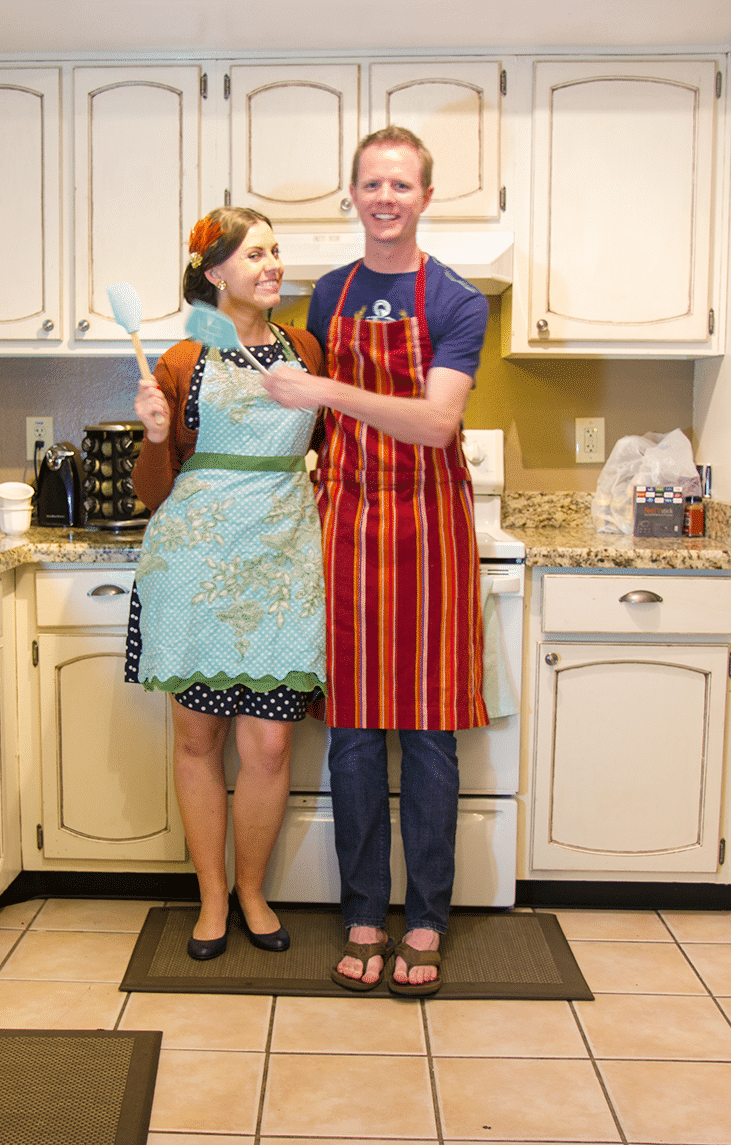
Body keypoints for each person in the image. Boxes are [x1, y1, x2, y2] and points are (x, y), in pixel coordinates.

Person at [262, 126, 489, 996]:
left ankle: (426, 914)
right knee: (354, 735)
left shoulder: (457, 300)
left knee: (428, 737)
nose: (386, 197)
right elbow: (310, 420)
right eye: (371, 184)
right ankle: (364, 907)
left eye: (401, 184)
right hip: (348, 523)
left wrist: (326, 390)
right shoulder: (329, 294)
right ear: (351, 196)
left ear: (426, 197)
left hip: (430, 529)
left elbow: (435, 424)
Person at [125, 206, 326, 960]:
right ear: (216, 273)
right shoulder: (178, 361)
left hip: (281, 561)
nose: (273, 264)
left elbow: (328, 443)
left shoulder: (303, 347)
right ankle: (212, 897)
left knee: (270, 744)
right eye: (256, 254)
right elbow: (153, 491)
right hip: (196, 567)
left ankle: (252, 888)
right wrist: (151, 432)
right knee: (200, 739)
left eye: (277, 251)